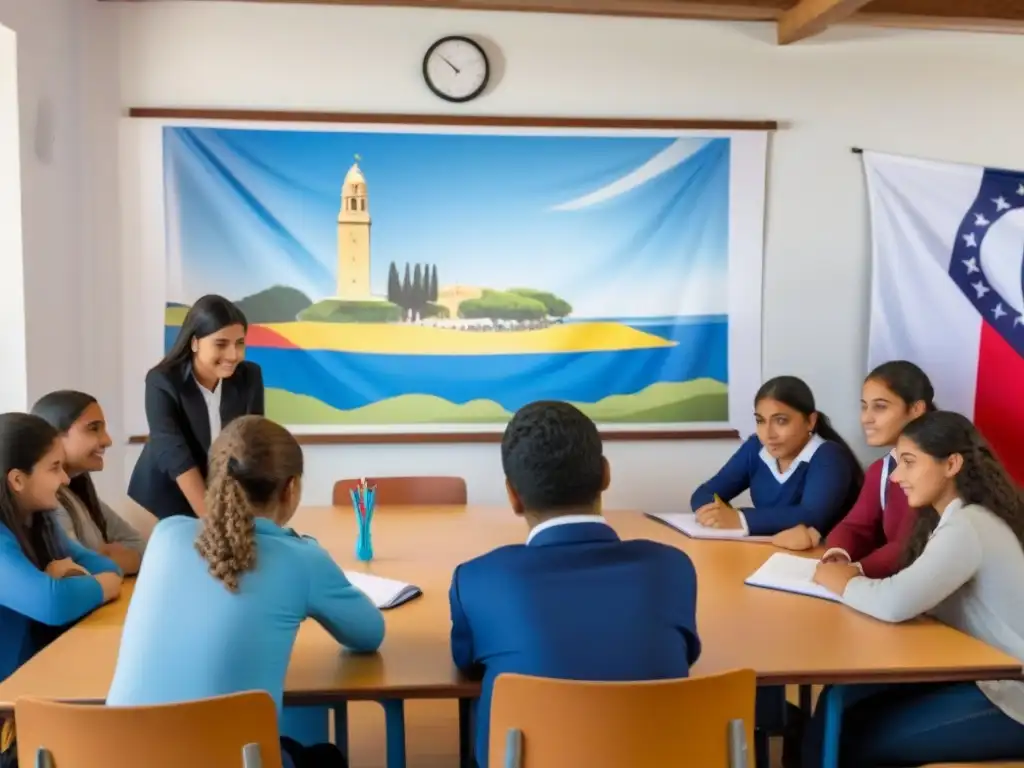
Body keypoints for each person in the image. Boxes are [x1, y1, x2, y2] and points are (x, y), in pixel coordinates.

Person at [108, 415, 385, 768]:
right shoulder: (301, 560)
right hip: (234, 758)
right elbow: (369, 633)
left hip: (118, 754)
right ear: (291, 489)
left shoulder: (166, 535)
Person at [449, 401, 700, 768]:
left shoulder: (477, 579)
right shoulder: (673, 568)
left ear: (513, 496)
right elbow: (685, 656)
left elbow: (466, 664)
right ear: (605, 475)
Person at [807, 411, 1024, 766]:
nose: (896, 476)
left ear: (951, 464)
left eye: (908, 462)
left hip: (1010, 696)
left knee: (856, 739)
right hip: (979, 676)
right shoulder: (952, 519)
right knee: (841, 704)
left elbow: (893, 602)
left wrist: (842, 579)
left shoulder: (969, 525)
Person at [771, 361, 935, 578]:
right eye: (864, 406)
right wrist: (838, 554)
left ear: (916, 410)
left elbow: (912, 544)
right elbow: (855, 526)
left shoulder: (938, 468)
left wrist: (856, 570)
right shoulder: (881, 469)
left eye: (880, 406)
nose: (866, 418)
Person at [0, 412, 122, 683]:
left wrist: (66, 576)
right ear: (18, 480)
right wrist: (98, 586)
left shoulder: (40, 522)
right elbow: (53, 603)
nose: (66, 479)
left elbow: (108, 567)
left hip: (34, 679)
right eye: (54, 467)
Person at [128, 294, 264, 520]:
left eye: (240, 343)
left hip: (219, 503)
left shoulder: (250, 376)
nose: (233, 355)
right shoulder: (162, 381)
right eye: (221, 344)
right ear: (194, 342)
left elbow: (252, 447)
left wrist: (249, 514)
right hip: (161, 505)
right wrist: (212, 521)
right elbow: (175, 455)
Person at [690, 375, 864, 537]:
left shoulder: (829, 456)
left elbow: (812, 517)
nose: (768, 434)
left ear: (810, 421)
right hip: (772, 551)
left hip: (823, 559)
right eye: (760, 421)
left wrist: (738, 518)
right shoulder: (755, 447)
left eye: (781, 421)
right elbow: (705, 492)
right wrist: (716, 515)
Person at [32, 390, 146, 575]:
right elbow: (78, 569)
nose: (107, 441)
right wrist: (106, 555)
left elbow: (141, 548)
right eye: (93, 428)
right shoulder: (46, 502)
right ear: (52, 437)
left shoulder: (78, 494)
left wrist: (102, 558)